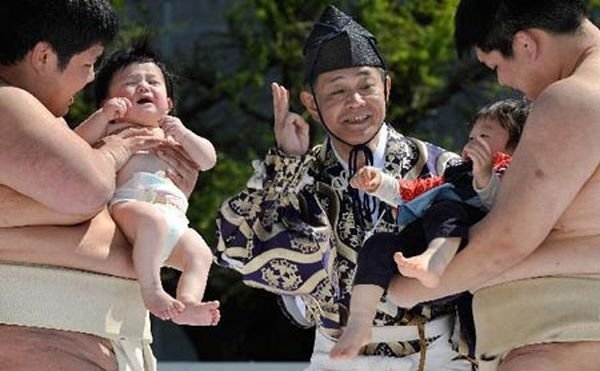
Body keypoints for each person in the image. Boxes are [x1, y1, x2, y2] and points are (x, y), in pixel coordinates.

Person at [216, 5, 473, 371]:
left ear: (386, 87)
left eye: (366, 86)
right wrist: (286, 160)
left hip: (436, 352)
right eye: (337, 92)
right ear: (312, 104)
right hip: (335, 355)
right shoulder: (296, 172)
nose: (355, 103)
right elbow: (234, 247)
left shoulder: (441, 166)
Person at [386, 1, 600, 370]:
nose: (503, 83)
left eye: (497, 67)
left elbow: (507, 241)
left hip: (559, 347)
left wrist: (406, 290)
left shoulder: (574, 98)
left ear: (526, 44)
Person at [0, 1, 199, 369]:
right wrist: (115, 151)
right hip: (41, 343)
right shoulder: (7, 100)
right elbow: (85, 189)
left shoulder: (46, 121)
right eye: (88, 64)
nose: (92, 78)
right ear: (44, 56)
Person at [330, 99, 529, 360]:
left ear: (516, 146)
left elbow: (504, 207)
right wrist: (379, 184)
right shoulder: (456, 174)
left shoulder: (513, 172)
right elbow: (412, 191)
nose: (471, 142)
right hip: (424, 244)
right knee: (378, 244)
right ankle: (360, 322)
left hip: (465, 251)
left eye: (484, 136)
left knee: (447, 209)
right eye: (471, 136)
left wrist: (484, 176)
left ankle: (433, 262)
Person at [75, 42, 220, 325]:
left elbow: (207, 160)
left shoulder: (174, 134)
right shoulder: (112, 130)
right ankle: (152, 289)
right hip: (131, 206)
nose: (143, 87)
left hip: (175, 216)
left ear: (169, 104)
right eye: (131, 82)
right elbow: (75, 145)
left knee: (201, 253)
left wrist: (184, 132)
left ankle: (188, 303)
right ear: (108, 101)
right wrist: (103, 116)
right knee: (153, 223)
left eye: (153, 82)